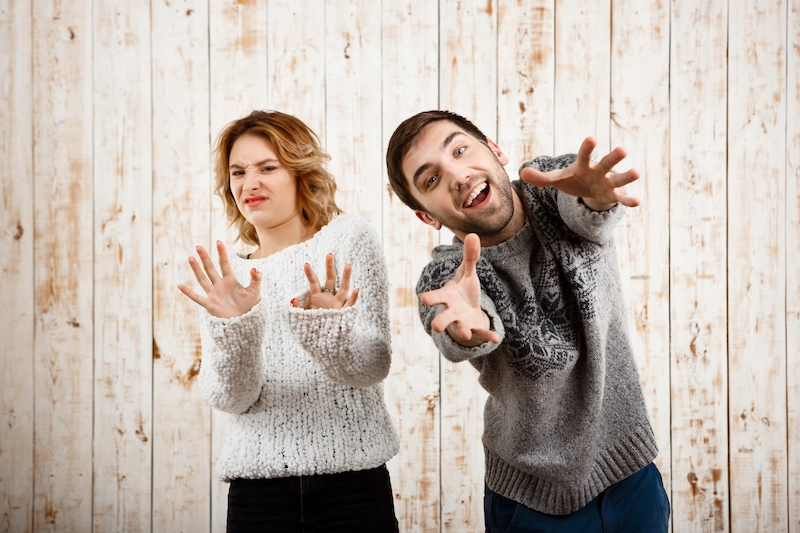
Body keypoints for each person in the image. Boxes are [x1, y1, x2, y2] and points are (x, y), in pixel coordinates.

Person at [386, 110, 670, 532]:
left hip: (630, 472)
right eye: (431, 180)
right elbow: (458, 328)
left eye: (461, 150)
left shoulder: (552, 185)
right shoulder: (446, 276)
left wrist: (599, 197)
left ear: (496, 151)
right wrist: (470, 329)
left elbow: (586, 207)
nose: (458, 175)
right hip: (529, 499)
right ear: (428, 217)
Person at [179, 110, 399, 532]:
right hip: (257, 497)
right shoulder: (230, 279)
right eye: (238, 172)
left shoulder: (347, 239)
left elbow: (372, 366)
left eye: (267, 167)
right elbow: (231, 398)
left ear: (300, 173)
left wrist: (327, 328)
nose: (250, 183)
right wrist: (236, 329)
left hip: (352, 488)